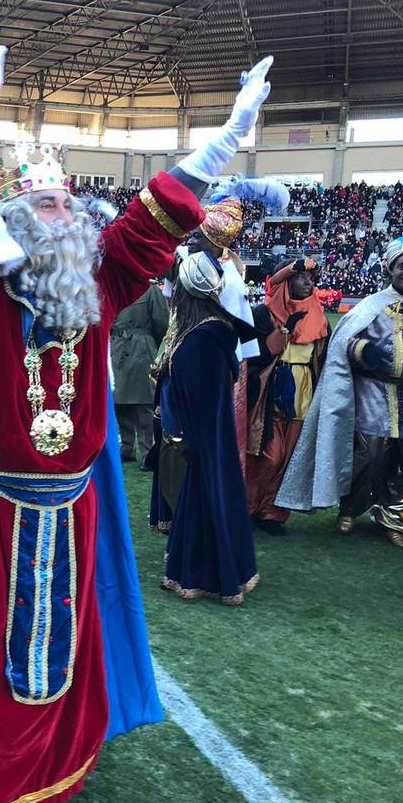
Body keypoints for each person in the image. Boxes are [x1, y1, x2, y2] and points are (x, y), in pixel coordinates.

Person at [0, 21, 272, 803]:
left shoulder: (98, 279)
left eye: (65, 203)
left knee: (62, 662)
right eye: (37, 205)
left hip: (69, 511)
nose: (56, 216)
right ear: (11, 217)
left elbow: (155, 222)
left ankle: (31, 786)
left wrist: (225, 140)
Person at [278, 235, 403, 550]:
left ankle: (395, 519)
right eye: (402, 266)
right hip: (376, 393)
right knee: (368, 454)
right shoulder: (371, 304)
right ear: (390, 268)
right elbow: (346, 343)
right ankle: (350, 507)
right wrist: (365, 351)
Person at [157, 251, 259, 605]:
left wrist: (193, 444)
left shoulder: (203, 340)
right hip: (205, 442)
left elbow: (204, 405)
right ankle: (192, 571)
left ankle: (212, 577)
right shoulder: (205, 334)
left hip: (204, 443)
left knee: (206, 499)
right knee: (198, 499)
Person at [244, 258, 329, 535]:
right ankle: (246, 507)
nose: (309, 283)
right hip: (268, 393)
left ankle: (272, 513)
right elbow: (251, 357)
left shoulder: (320, 317)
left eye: (311, 279)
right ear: (286, 281)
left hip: (304, 392)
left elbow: (325, 360)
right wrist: (283, 332)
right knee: (268, 455)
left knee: (290, 457)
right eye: (302, 277)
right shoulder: (262, 314)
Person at [111, 282, 168, 464]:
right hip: (128, 346)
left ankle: (143, 450)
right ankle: (136, 449)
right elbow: (162, 323)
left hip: (131, 346)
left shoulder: (146, 289)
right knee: (123, 401)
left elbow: (161, 323)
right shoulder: (148, 290)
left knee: (141, 402)